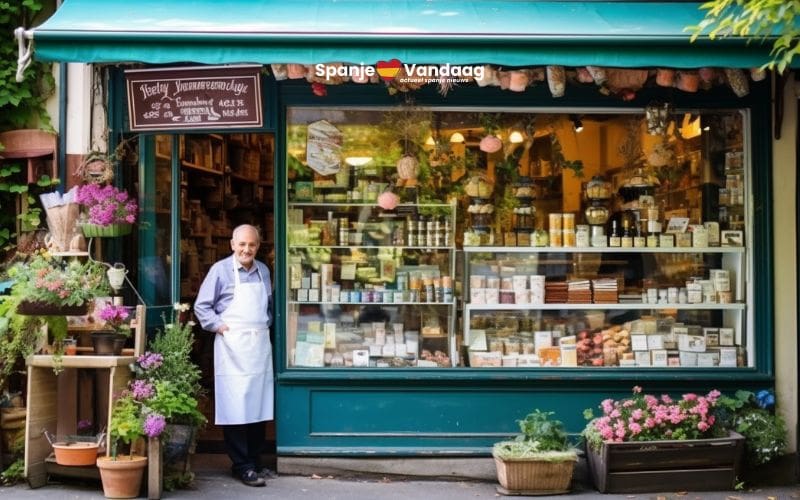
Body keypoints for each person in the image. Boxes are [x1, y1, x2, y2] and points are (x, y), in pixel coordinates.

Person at [194, 224, 275, 487]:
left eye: (251, 245)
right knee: (236, 405)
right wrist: (219, 326)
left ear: (258, 246)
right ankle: (241, 464)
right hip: (233, 345)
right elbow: (202, 306)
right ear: (232, 245)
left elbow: (270, 307)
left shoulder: (263, 270)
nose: (246, 250)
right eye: (241, 245)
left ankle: (255, 459)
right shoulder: (220, 270)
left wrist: (264, 326)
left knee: (258, 404)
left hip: (258, 345)